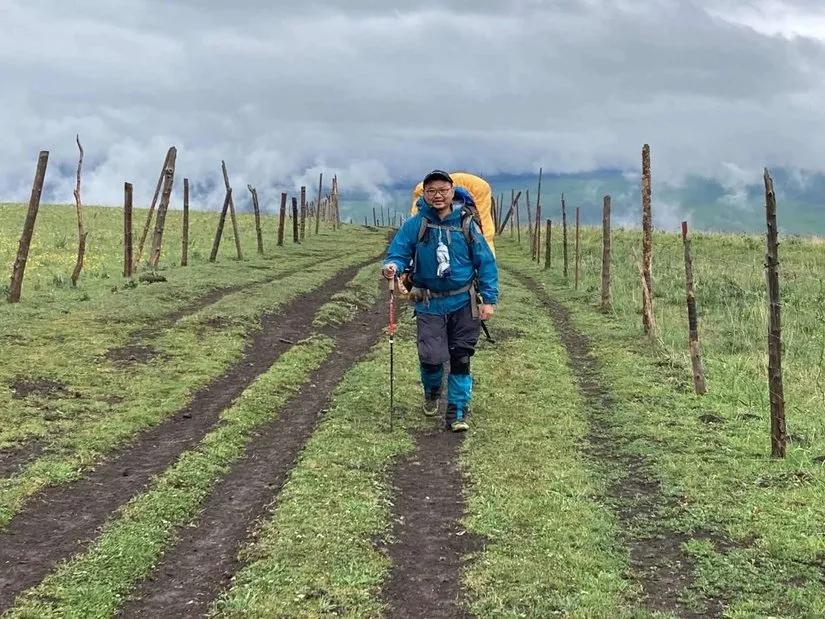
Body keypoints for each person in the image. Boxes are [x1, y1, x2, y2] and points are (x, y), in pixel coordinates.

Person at [382, 170, 498, 432]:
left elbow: (486, 262)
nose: (437, 195)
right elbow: (398, 252)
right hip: (429, 303)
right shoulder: (416, 224)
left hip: (463, 301)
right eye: (431, 191)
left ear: (452, 191)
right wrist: (392, 267)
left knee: (461, 358)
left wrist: (488, 299)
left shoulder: (467, 223)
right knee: (431, 358)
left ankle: (458, 412)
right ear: (425, 194)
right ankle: (432, 391)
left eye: (443, 190)